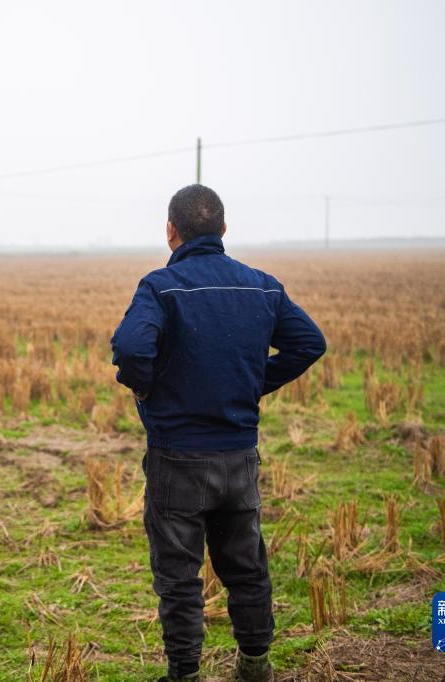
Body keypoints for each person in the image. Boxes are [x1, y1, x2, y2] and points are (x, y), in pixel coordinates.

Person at [110, 184, 326, 682]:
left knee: (179, 578)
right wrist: (252, 384)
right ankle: (255, 666)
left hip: (176, 462)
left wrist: (145, 390)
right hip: (238, 459)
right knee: (247, 569)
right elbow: (309, 343)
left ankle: (184, 674)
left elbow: (130, 347)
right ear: (224, 230)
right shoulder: (263, 286)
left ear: (171, 232)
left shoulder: (160, 288)